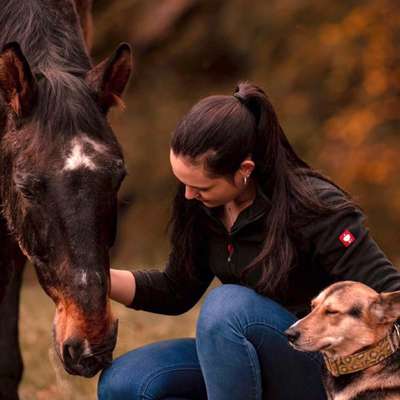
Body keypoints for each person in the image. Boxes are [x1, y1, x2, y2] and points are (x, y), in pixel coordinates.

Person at [98, 82, 400, 400]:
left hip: (319, 365)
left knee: (227, 307)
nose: (188, 194)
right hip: (243, 358)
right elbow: (176, 289)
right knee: (125, 382)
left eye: (201, 186)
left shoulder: (316, 207)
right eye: (183, 182)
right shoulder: (202, 205)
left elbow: (388, 288)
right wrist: (93, 278)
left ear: (244, 170)